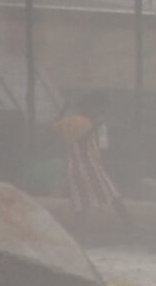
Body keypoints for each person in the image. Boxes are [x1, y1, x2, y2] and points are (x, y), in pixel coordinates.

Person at [53, 91, 129, 234]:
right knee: (114, 197)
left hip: (73, 168)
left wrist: (63, 109)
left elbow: (55, 124)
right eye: (100, 109)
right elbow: (81, 140)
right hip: (89, 166)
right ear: (91, 107)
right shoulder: (85, 122)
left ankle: (79, 235)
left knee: (81, 203)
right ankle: (131, 227)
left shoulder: (69, 121)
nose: (101, 113)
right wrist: (95, 126)